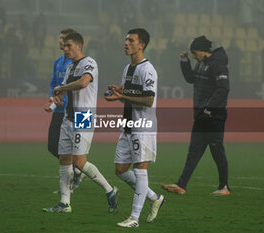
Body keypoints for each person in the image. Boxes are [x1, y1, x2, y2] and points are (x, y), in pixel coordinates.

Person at [43, 32, 119, 213]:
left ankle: (110, 190)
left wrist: (62, 88)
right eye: (64, 45)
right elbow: (61, 92)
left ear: (79, 45)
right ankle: (64, 203)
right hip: (68, 117)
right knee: (64, 159)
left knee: (79, 162)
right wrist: (53, 105)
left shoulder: (89, 63)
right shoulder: (70, 67)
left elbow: (84, 83)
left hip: (84, 116)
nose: (65, 48)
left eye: (69, 45)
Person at [105, 28, 165, 228]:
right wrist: (118, 92)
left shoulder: (148, 69)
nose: (126, 43)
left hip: (143, 128)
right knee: (120, 170)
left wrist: (123, 96)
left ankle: (134, 218)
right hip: (128, 126)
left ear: (142, 45)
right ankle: (155, 197)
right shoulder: (127, 68)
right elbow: (127, 92)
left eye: (131, 40)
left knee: (140, 171)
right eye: (125, 40)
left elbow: (148, 100)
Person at [161, 35, 230, 196]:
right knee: (194, 151)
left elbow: (223, 89)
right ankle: (181, 185)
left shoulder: (218, 65)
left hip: (214, 117)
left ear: (202, 51)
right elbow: (191, 79)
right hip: (201, 116)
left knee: (217, 150)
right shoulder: (201, 64)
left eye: (193, 53)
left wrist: (209, 109)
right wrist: (185, 63)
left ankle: (224, 187)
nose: (193, 56)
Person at [43, 28, 84, 193]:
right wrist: (53, 99)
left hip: (78, 112)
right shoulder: (58, 62)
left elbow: (78, 87)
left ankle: (72, 181)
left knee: (76, 153)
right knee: (54, 147)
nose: (61, 42)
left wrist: (62, 101)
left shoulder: (80, 64)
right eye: (60, 38)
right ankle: (77, 172)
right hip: (60, 111)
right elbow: (54, 83)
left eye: (65, 39)